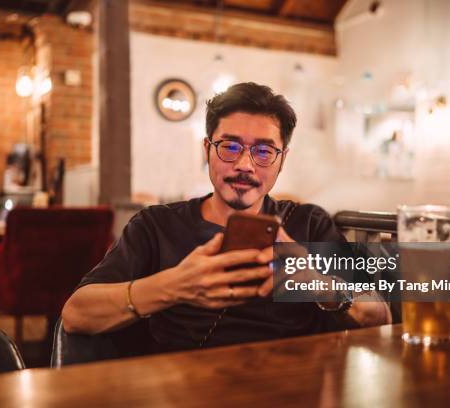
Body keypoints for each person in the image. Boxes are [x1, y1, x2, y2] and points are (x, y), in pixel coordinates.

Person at [62, 82, 391, 351]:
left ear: (282, 160)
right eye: (230, 147)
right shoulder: (157, 226)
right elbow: (76, 314)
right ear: (207, 150)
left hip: (292, 388)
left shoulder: (307, 223)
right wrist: (174, 286)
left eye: (263, 151)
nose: (245, 165)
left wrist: (316, 284)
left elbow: (379, 315)